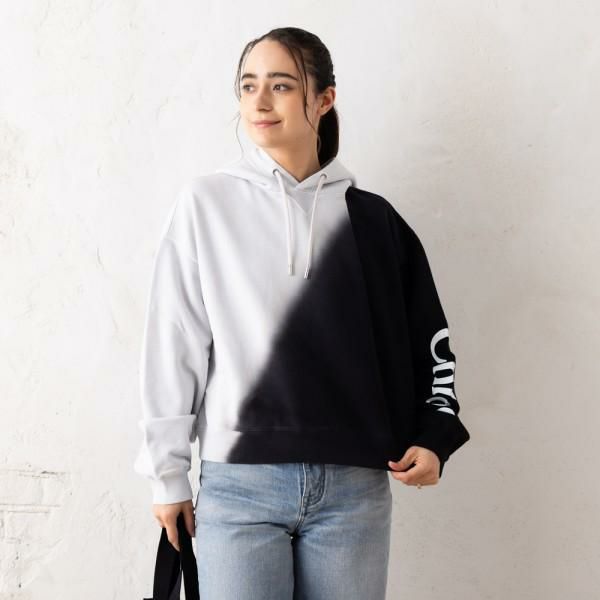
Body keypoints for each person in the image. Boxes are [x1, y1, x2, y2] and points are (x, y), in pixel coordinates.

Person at [134, 26, 470, 600]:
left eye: (282, 85)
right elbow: (174, 341)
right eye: (248, 86)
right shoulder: (206, 204)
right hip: (239, 487)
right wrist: (168, 476)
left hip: (354, 490)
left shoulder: (372, 221)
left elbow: (430, 340)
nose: (260, 102)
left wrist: (435, 436)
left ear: (324, 99)